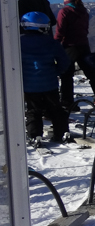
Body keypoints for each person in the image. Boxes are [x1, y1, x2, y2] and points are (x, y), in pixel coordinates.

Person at [21, 12, 72, 146]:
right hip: (49, 82)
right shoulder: (51, 42)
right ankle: (61, 132)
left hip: (28, 84)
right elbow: (64, 61)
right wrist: (56, 72)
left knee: (33, 110)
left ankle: (35, 135)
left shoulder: (18, 43)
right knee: (55, 108)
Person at [55, 0, 95, 111]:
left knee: (67, 76)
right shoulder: (83, 10)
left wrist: (54, 45)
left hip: (69, 47)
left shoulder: (65, 11)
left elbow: (60, 31)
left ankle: (68, 103)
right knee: (92, 74)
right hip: (84, 45)